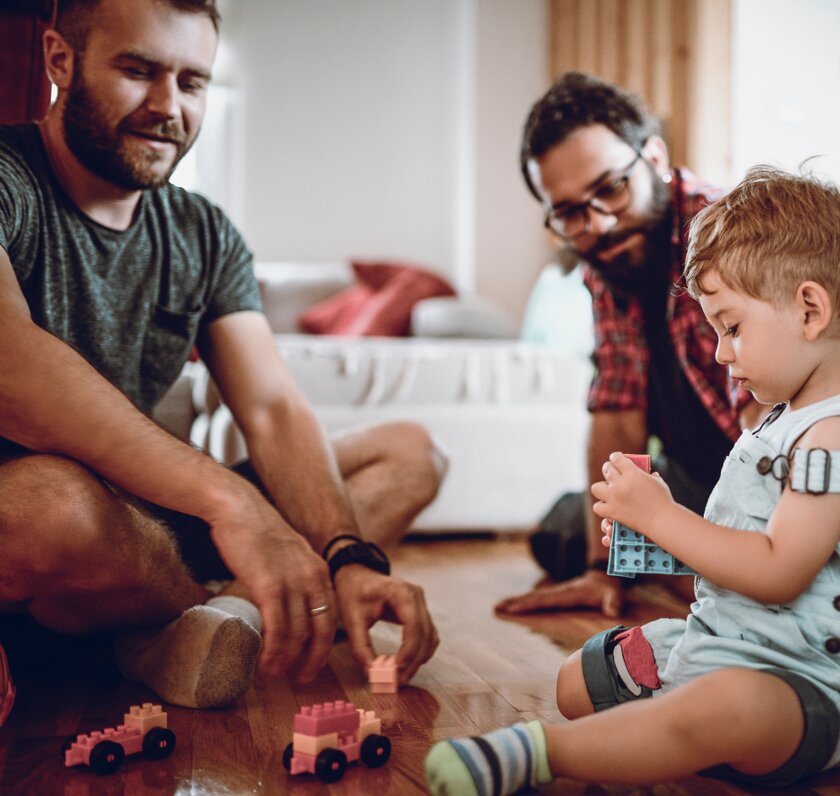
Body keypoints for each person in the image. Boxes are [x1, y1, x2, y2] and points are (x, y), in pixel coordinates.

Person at [0, 0, 447, 710]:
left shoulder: (203, 231)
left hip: (148, 518)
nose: (166, 107)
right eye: (138, 71)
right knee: (52, 505)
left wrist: (347, 554)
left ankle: (209, 621)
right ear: (60, 61)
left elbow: (270, 408)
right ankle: (219, 611)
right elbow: (12, 370)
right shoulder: (8, 181)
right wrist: (236, 506)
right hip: (47, 529)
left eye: (192, 82)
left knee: (409, 452)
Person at [425, 165, 840, 792]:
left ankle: (541, 756)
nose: (723, 353)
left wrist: (663, 518)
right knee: (578, 679)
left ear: (810, 309)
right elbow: (737, 565)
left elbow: (780, 570)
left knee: (724, 706)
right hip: (726, 639)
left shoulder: (830, 435)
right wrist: (652, 535)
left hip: (801, 684)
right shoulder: (781, 419)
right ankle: (666, 731)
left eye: (731, 327)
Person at [496, 72, 762, 619]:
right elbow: (618, 409)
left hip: (770, 469)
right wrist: (604, 567)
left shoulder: (733, 236)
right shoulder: (607, 264)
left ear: (656, 158)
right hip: (693, 473)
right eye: (570, 212)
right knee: (563, 538)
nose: (599, 224)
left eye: (611, 187)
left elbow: (779, 426)